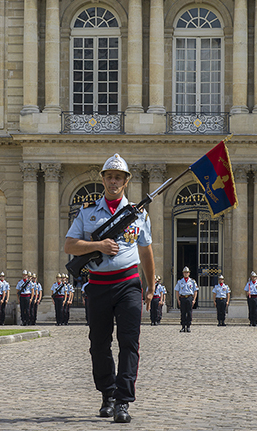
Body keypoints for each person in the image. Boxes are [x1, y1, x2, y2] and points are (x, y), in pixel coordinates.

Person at [64, 153, 155, 424]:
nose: (114, 181)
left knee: (129, 342)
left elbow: (146, 250)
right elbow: (70, 245)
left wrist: (150, 286)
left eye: (119, 177)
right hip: (99, 287)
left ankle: (123, 401)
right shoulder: (88, 211)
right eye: (109, 176)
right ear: (103, 180)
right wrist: (98, 246)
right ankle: (108, 394)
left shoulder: (138, 215)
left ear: (126, 182)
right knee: (99, 344)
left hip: (128, 284)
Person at [175, 266, 198, 332]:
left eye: (187, 272)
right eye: (185, 272)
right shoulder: (180, 281)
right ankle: (183, 326)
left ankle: (188, 326)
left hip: (189, 297)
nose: (186, 274)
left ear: (189, 273)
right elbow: (177, 291)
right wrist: (178, 299)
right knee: (183, 313)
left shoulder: (192, 281)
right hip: (182, 297)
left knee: (189, 312)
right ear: (183, 273)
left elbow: (195, 291)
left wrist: (194, 299)